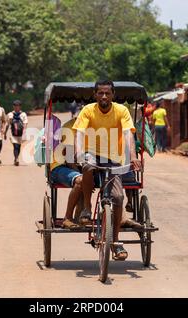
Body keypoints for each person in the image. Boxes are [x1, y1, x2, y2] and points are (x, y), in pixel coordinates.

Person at [73, 80, 142, 261]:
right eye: (100, 93)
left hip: (114, 157)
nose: (104, 96)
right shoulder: (88, 110)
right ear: (95, 95)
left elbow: (128, 134)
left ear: (113, 95)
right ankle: (87, 208)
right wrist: (79, 153)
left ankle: (116, 242)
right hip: (92, 153)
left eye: (107, 93)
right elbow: (79, 133)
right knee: (87, 165)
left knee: (118, 198)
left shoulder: (122, 111)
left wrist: (133, 156)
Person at [5, 100, 28, 166]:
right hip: (13, 134)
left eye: (18, 106)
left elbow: (25, 123)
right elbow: (7, 124)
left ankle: (16, 158)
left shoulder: (23, 114)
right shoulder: (10, 114)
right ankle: (16, 158)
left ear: (20, 106)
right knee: (15, 146)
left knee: (19, 146)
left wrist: (24, 132)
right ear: (13, 106)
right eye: (15, 106)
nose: (17, 107)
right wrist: (5, 133)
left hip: (20, 133)